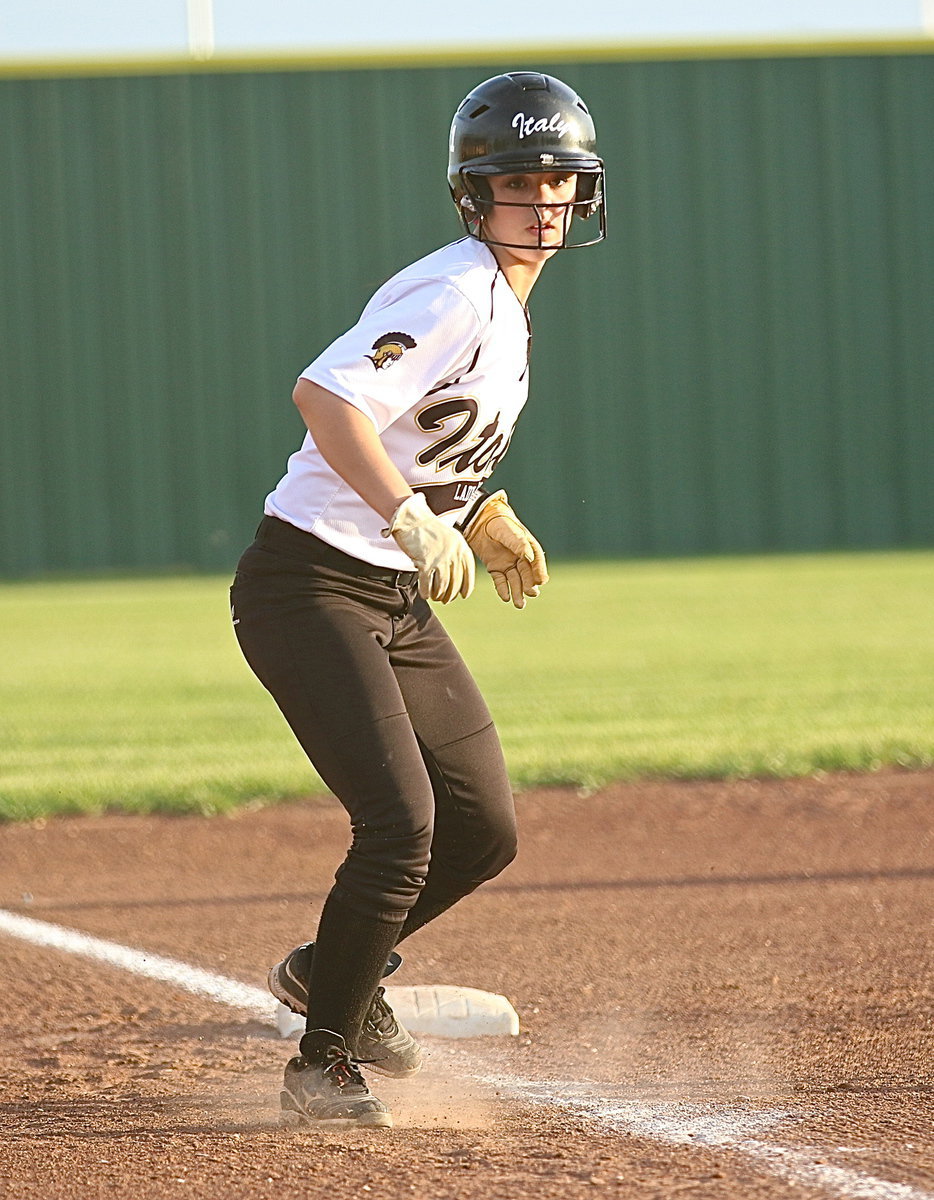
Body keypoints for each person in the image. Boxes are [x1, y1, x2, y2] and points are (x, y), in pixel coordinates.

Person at [230, 70, 606, 1129]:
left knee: (481, 828)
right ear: (473, 191)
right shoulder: (454, 292)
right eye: (519, 180)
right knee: (400, 826)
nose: (544, 201)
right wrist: (406, 512)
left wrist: (476, 513)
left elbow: (429, 436)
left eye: (561, 180)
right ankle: (322, 1060)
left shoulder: (506, 307)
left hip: (389, 592)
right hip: (307, 582)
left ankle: (328, 968)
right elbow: (327, 395)